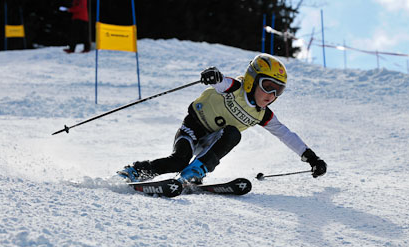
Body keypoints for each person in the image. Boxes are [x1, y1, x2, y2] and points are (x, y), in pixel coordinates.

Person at [118, 53, 327, 184]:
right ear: (252, 81)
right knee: (178, 160)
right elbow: (221, 82)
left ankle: (198, 170)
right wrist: (213, 75)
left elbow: (286, 134)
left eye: (278, 91)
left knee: (233, 134)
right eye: (267, 87)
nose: (271, 95)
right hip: (193, 127)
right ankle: (136, 172)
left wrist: (311, 158)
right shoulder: (234, 88)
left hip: (212, 140)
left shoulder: (262, 114)